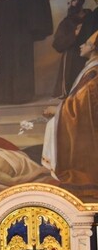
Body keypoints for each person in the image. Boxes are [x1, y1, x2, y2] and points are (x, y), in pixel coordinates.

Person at [41, 30, 98, 194]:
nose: (81, 45)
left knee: (54, 123)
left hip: (90, 127)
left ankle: (80, 174)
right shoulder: (91, 69)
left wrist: (58, 110)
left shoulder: (94, 72)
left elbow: (81, 103)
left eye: (86, 43)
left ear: (94, 48)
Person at [52, 0, 91, 97]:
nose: (70, 5)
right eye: (68, 3)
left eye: (73, 1)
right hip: (73, 59)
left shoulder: (92, 18)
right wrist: (74, 34)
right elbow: (57, 44)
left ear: (81, 1)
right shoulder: (66, 22)